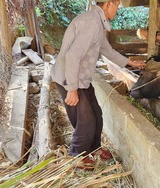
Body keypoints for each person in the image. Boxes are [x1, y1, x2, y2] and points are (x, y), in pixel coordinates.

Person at [50, 0, 146, 168]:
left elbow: (106, 50)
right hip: (70, 78)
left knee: (96, 113)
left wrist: (130, 63)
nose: (118, 10)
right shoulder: (92, 23)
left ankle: (93, 148)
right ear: (109, 3)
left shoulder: (96, 21)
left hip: (81, 78)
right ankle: (78, 155)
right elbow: (72, 56)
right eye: (117, 6)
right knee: (86, 120)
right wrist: (72, 89)